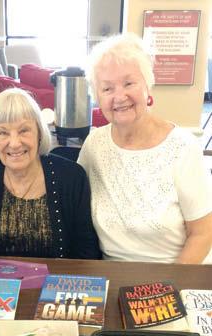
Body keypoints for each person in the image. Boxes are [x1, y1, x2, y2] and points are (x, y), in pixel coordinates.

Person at [78, 33, 212, 263]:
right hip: (112, 274)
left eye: (129, 83)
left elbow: (203, 233)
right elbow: (71, 203)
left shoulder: (182, 147)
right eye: (107, 89)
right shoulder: (94, 145)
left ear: (147, 85)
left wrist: (169, 282)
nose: (120, 96)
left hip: (175, 271)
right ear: (97, 97)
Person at [0, 88, 101, 263]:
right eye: (3, 132)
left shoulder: (72, 177)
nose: (14, 143)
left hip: (56, 279)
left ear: (39, 133)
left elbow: (88, 253)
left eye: (23, 130)